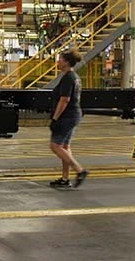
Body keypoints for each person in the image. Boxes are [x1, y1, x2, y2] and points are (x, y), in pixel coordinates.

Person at [49, 49, 89, 189]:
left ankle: (80, 170)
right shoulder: (74, 76)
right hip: (73, 115)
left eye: (60, 59)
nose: (58, 62)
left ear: (66, 62)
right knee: (65, 147)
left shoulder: (68, 78)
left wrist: (55, 119)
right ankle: (65, 179)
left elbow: (64, 100)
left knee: (55, 146)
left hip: (67, 116)